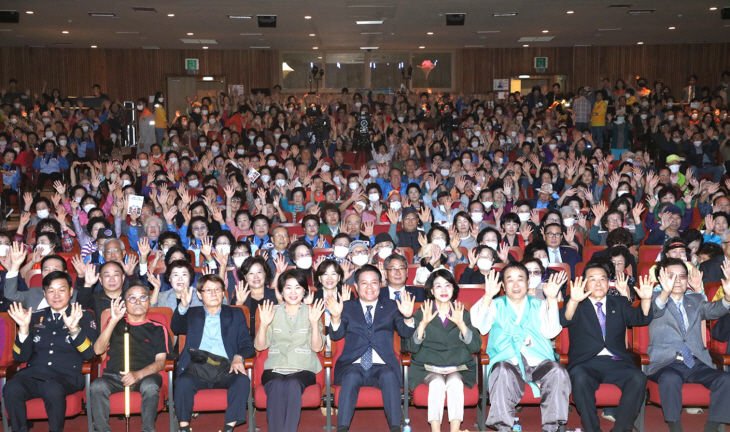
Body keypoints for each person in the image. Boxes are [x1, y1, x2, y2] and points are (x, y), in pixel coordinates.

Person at [472, 264, 570, 432]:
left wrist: (552, 300)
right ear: (502, 285)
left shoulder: (539, 305)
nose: (516, 285)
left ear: (528, 281)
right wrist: (487, 296)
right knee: (502, 370)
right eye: (510, 280)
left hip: (538, 362)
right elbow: (480, 325)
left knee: (558, 371)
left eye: (520, 279)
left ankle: (551, 427)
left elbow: (552, 331)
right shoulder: (495, 304)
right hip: (507, 362)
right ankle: (503, 428)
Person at [559, 261, 655, 432]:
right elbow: (565, 319)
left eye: (602, 279)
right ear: (584, 282)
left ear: (608, 282)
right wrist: (573, 300)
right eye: (592, 279)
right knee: (580, 378)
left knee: (638, 377)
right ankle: (592, 429)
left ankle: (621, 429)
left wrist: (646, 299)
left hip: (616, 361)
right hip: (585, 362)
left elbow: (641, 318)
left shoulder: (619, 302)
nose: (598, 283)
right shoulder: (574, 301)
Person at [3, 272, 99, 432]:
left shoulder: (83, 315)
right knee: (11, 388)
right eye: (51, 291)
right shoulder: (33, 317)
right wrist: (24, 329)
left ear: (70, 292)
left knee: (52, 388)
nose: (56, 295)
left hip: (67, 376)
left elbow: (89, 354)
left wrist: (75, 330)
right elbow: (20, 357)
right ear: (44, 293)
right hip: (34, 374)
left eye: (62, 290)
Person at [325, 264, 416, 432]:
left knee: (389, 375)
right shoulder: (347, 307)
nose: (369, 287)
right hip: (353, 363)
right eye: (364, 283)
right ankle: (342, 428)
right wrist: (336, 318)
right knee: (351, 375)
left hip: (382, 364)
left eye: (374, 282)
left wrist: (408, 316)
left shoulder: (391, 305)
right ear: (357, 287)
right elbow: (336, 336)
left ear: (380, 285)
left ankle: (396, 427)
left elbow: (406, 332)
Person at [647, 258, 730, 432]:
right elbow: (655, 310)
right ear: (661, 278)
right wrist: (664, 292)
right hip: (665, 362)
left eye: (682, 276)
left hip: (695, 362)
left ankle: (712, 427)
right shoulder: (652, 298)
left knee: (725, 379)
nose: (678, 280)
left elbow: (714, 311)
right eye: (672, 276)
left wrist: (728, 297)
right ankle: (675, 426)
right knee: (671, 378)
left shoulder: (695, 300)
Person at [172, 274, 255, 432]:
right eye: (208, 290)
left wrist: (238, 357)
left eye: (217, 290)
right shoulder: (192, 313)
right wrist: (183, 306)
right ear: (199, 294)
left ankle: (228, 428)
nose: (213, 293)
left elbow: (247, 344)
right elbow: (177, 327)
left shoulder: (235, 314)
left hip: (226, 368)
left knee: (242, 381)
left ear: (223, 293)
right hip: (196, 368)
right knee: (183, 383)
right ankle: (183, 427)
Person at [406, 269, 481, 432]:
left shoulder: (462, 313)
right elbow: (411, 347)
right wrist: (422, 325)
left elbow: (475, 346)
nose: (444, 290)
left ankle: (455, 430)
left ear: (454, 289)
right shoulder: (422, 313)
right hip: (427, 367)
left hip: (458, 366)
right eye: (438, 286)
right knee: (437, 383)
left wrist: (461, 324)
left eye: (448, 285)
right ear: (431, 291)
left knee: (454, 383)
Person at [90, 284, 171, 432]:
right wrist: (113, 321)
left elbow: (161, 362)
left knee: (150, 387)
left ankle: (148, 430)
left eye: (142, 298)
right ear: (125, 303)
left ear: (149, 303)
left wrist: (138, 374)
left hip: (146, 375)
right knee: (97, 386)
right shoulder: (114, 324)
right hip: (114, 376)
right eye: (132, 298)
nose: (138, 302)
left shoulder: (158, 328)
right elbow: (97, 350)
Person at [254, 269, 325, 432]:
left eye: (298, 287)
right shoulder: (271, 312)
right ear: (281, 291)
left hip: (303, 368)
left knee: (293, 384)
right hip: (274, 367)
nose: (293, 292)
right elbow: (259, 347)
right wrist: (263, 325)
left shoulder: (312, 312)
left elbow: (316, 348)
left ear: (304, 291)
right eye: (288, 287)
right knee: (277, 384)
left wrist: (314, 323)